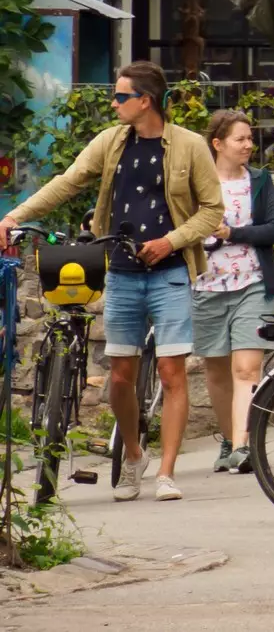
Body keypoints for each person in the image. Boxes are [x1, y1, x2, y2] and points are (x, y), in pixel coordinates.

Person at [0, 61, 221, 501]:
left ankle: (166, 473)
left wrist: (171, 240)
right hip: (121, 271)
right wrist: (13, 216)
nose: (114, 103)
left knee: (172, 371)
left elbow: (212, 210)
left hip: (171, 273)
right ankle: (134, 453)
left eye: (121, 97)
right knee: (120, 375)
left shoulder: (190, 146)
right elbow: (67, 183)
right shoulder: (110, 143)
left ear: (146, 100)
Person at [195, 109, 274, 475]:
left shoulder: (260, 182)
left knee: (246, 369)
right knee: (216, 371)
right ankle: (229, 440)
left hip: (254, 283)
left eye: (250, 139)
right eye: (240, 139)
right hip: (205, 286)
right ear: (217, 144)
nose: (248, 145)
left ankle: (244, 447)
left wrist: (233, 233)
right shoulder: (196, 185)